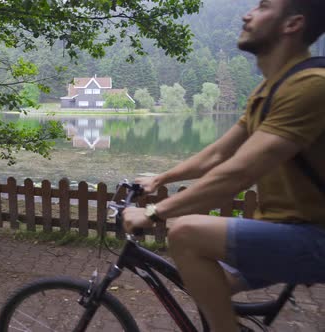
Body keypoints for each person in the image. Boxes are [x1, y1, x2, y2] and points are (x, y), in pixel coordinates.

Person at [121, 0, 325, 331]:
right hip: (284, 228)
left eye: (263, 7)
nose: (247, 14)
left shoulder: (311, 85)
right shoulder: (271, 87)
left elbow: (238, 173)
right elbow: (219, 154)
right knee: (208, 284)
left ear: (293, 24)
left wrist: (154, 213)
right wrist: (162, 178)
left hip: (314, 237)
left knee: (185, 232)